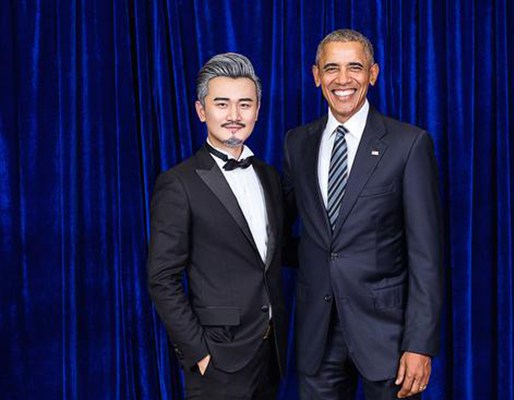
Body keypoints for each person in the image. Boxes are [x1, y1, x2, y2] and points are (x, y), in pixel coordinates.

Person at [283, 29, 443, 399]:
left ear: (373, 74)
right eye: (331, 68)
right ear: (316, 76)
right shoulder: (297, 143)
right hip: (317, 335)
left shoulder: (408, 144)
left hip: (388, 337)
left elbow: (426, 255)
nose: (343, 79)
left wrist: (419, 344)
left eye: (354, 67)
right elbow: (283, 233)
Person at [147, 52, 286, 399]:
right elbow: (161, 277)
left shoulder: (269, 176)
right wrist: (199, 353)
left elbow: (274, 253)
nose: (234, 116)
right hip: (218, 358)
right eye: (222, 104)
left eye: (245, 104)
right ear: (201, 110)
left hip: (270, 355)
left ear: (257, 110)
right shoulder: (178, 183)